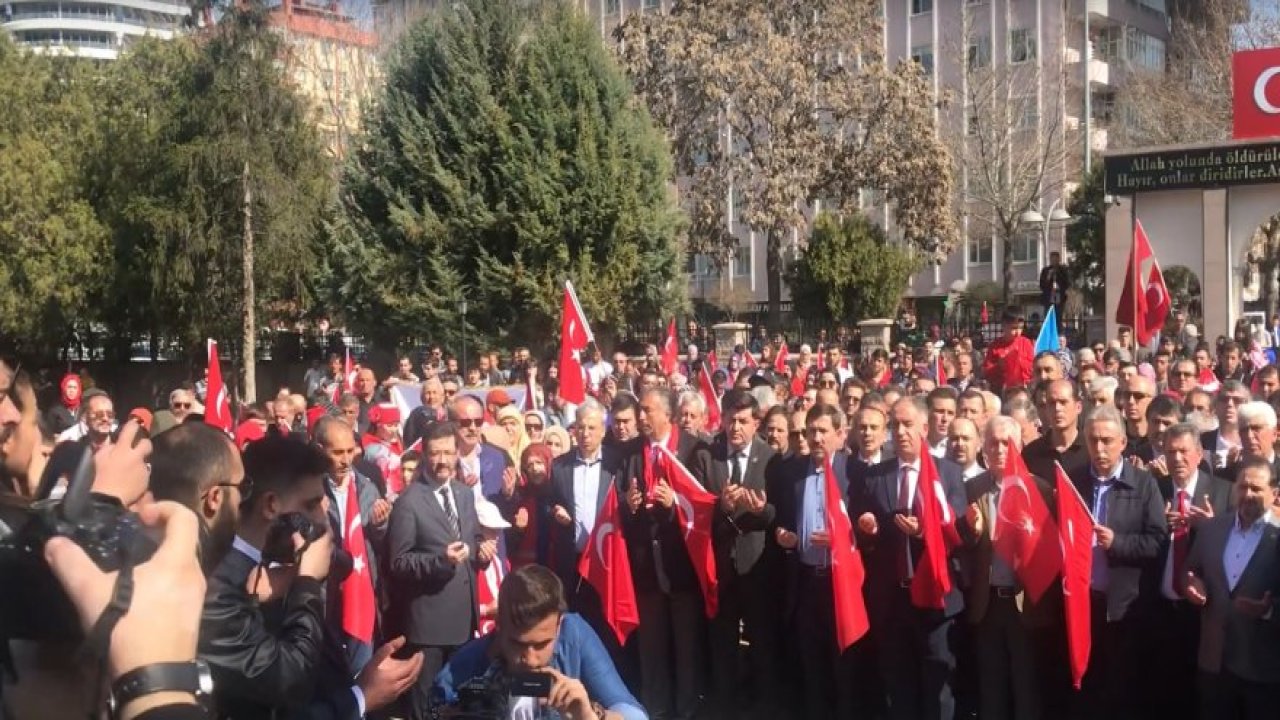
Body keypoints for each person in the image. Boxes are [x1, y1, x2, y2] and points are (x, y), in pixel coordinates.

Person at [199, 434, 418, 718]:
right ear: (270, 505)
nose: (322, 517)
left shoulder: (286, 573)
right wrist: (361, 697)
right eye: (311, 504)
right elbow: (289, 684)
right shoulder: (220, 585)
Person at [852, 397, 967, 720]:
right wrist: (867, 529)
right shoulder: (876, 476)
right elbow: (862, 533)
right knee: (898, 685)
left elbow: (957, 529)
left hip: (934, 599)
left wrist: (924, 531)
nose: (900, 432)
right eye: (895, 425)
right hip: (892, 599)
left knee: (937, 685)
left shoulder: (948, 473)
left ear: (925, 428)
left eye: (907, 424)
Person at [433, 565, 647, 720]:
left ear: (559, 625)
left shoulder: (574, 635)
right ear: (498, 625)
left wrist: (591, 716)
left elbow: (632, 711)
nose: (531, 660)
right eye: (517, 644)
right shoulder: (461, 669)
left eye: (542, 644)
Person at [387, 420, 497, 720]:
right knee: (425, 707)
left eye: (449, 453)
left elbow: (472, 541)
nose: (443, 461)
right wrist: (440, 562)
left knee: (461, 705)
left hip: (464, 622)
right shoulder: (409, 502)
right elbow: (398, 562)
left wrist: (482, 552)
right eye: (435, 453)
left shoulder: (462, 493)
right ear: (424, 454)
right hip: (428, 627)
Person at [618, 387, 713, 720]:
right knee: (652, 649)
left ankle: (687, 711)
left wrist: (676, 505)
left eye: (647, 411)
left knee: (686, 650)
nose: (641, 417)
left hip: (682, 567)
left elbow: (704, 506)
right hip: (646, 569)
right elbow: (619, 499)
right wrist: (627, 507)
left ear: (667, 414)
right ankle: (655, 709)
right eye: (640, 411)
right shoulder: (631, 453)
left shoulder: (692, 450)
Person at [1068, 405, 1165, 719]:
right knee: (1088, 688)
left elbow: (1157, 541)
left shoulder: (1143, 483)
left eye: (1107, 440)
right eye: (1093, 440)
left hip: (1124, 607)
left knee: (1123, 689)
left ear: (1123, 443)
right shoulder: (1075, 481)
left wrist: (1118, 543)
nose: (1099, 448)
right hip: (1084, 603)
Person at [961, 416, 1049, 720]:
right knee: (991, 687)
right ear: (983, 448)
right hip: (987, 605)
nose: (1000, 449)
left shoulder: (1039, 489)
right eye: (993, 443)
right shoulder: (972, 489)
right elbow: (961, 545)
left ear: (1020, 445)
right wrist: (970, 533)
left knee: (1026, 687)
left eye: (1006, 443)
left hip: (1024, 605)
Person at [1145, 422, 1232, 718]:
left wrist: (1211, 527)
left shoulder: (1223, 492)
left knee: (1201, 697)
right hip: (1161, 609)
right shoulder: (1154, 491)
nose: (1177, 459)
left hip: (1202, 614)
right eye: (1171, 452)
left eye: (1184, 451)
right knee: (1164, 693)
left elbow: (1237, 552)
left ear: (1199, 455)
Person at [1182, 456, 1280, 719]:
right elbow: (1190, 570)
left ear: (1274, 493)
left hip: (1261, 670)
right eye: (1243, 487)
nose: (1248, 494)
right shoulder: (1213, 529)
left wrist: (1268, 611)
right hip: (1214, 663)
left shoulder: (1277, 535)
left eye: (1257, 489)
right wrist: (1192, 584)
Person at [704, 390, 780, 719]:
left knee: (761, 638)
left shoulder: (771, 457)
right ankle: (725, 703)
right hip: (720, 564)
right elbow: (695, 509)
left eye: (743, 421)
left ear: (756, 423)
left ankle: (764, 703)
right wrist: (720, 506)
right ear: (721, 420)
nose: (735, 428)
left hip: (757, 564)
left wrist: (762, 511)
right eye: (730, 420)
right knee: (722, 641)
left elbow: (781, 512)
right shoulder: (708, 456)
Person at [982, 313, 1033, 395]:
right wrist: (999, 365)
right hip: (1000, 389)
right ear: (1004, 326)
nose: (1017, 332)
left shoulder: (1026, 343)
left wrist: (1019, 361)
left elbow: (1032, 367)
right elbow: (987, 372)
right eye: (1014, 328)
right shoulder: (995, 346)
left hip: (1023, 388)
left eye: (1020, 328)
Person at [1039, 251, 1070, 319]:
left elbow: (1067, 284)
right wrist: (1049, 276)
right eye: (1052, 260)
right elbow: (1042, 285)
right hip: (1049, 299)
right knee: (1049, 318)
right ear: (1050, 260)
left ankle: (1058, 329)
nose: (1054, 262)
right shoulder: (1045, 270)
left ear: (1059, 260)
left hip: (1059, 298)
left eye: (1056, 260)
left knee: (1058, 318)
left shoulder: (1063, 271)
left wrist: (1060, 280)